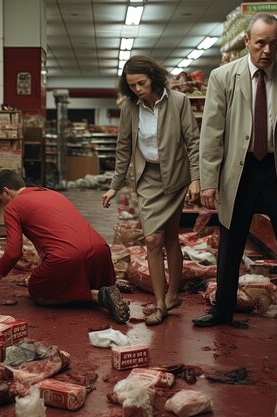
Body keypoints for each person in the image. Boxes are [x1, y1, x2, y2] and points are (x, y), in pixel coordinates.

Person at [193, 14, 277, 349]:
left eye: (273, 43)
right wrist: (208, 179)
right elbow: (211, 132)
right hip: (238, 171)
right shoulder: (223, 77)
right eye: (260, 43)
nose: (267, 50)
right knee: (230, 239)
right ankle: (223, 309)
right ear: (246, 41)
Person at [102, 55, 200, 326]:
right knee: (152, 240)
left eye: (141, 83)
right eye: (131, 85)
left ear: (154, 78)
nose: (137, 90)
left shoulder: (178, 102)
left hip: (177, 177)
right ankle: (159, 305)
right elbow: (123, 149)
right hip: (148, 180)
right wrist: (114, 186)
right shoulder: (130, 109)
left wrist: (196, 178)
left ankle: (172, 294)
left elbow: (193, 141)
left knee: (171, 237)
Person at [0, 170, 130, 324]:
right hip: (101, 252)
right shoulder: (52, 193)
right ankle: (103, 292)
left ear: (6, 191)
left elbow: (13, 252)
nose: (2, 206)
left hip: (67, 257)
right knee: (78, 278)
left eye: (0, 201)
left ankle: (97, 296)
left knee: (38, 292)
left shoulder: (12, 206)